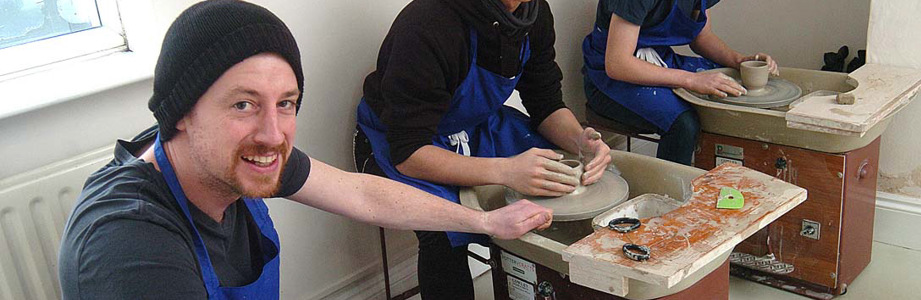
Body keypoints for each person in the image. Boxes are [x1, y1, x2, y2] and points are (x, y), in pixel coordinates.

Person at [57, 1, 553, 298]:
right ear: (180, 112)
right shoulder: (129, 248)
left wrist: (485, 223)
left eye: (286, 103)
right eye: (243, 104)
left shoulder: (231, 159)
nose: (273, 134)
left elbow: (364, 195)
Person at [353, 0, 612, 298]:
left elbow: (546, 104)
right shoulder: (429, 23)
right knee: (443, 227)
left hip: (474, 125)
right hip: (400, 143)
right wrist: (506, 171)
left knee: (563, 185)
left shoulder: (534, 12)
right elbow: (409, 152)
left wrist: (581, 142)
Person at [582, 0, 779, 165]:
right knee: (684, 124)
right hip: (609, 79)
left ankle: (716, 179)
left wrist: (739, 62)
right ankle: (670, 196)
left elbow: (702, 37)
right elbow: (617, 64)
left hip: (659, 59)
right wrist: (691, 80)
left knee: (727, 82)